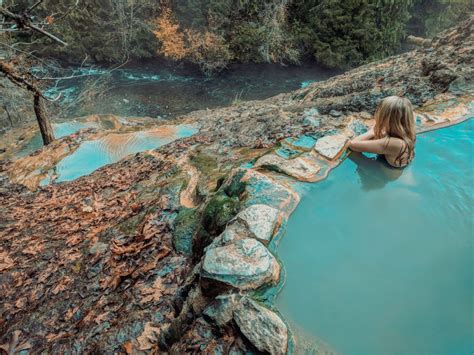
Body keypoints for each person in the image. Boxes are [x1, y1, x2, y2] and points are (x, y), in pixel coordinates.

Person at [349, 96, 416, 168]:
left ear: (386, 119)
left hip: (388, 175)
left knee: (353, 154)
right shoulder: (409, 130)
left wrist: (372, 131)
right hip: (398, 167)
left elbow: (352, 145)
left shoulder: (394, 143)